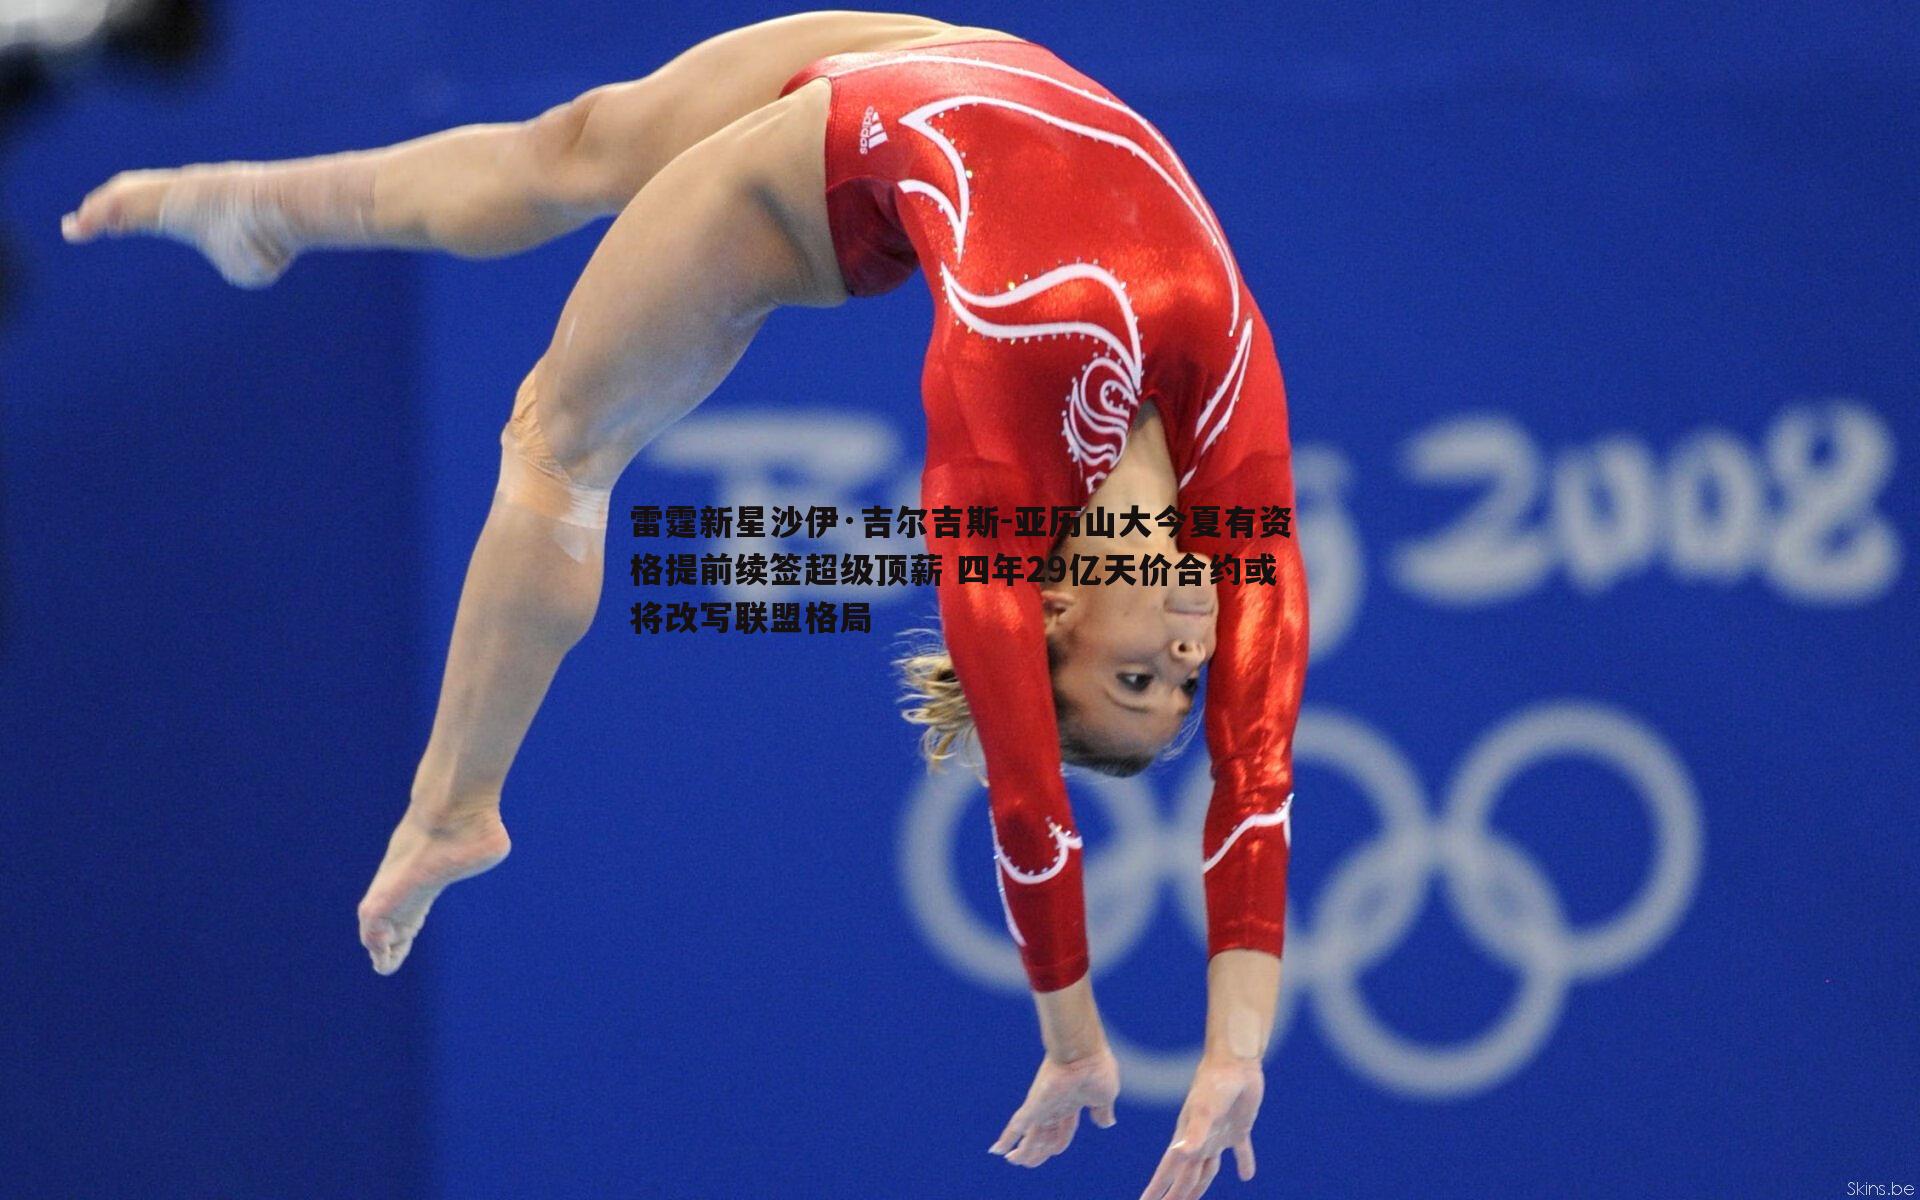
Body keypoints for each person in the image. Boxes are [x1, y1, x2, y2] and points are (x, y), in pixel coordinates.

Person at [61, 13, 1308, 1200]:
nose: (1193, 656)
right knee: (577, 145)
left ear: (1051, 617)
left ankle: (455, 806)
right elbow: (1257, 778)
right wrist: (1235, 1051)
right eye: (1175, 685)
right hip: (953, 64)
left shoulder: (991, 488)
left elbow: (1029, 799)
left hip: (821, 173)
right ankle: (265, 209)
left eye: (1139, 681)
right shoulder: (1234, 462)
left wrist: (1076, 1035)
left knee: (556, 444)